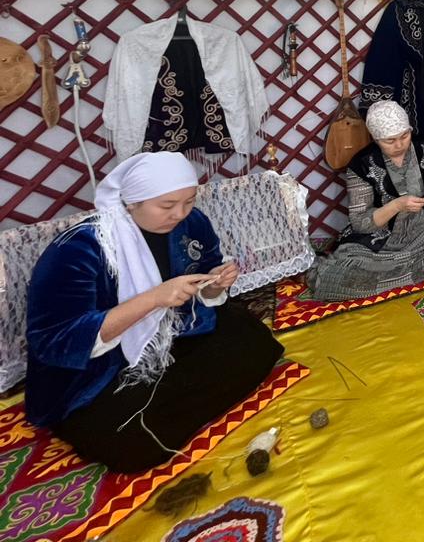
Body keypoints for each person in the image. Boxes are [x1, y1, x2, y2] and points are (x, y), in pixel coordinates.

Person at [25, 152, 283, 472]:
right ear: (132, 202)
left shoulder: (191, 222)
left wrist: (215, 282)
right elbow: (54, 341)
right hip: (98, 369)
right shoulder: (78, 250)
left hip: (171, 336)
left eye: (189, 201)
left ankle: (172, 407)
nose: (180, 213)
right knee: (128, 440)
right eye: (167, 205)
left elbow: (204, 280)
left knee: (253, 340)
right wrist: (153, 299)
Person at [308, 100, 424, 301]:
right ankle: (415, 271)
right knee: (343, 273)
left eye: (404, 136)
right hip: (381, 243)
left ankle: (404, 273)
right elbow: (360, 223)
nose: (399, 145)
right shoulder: (361, 165)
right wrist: (397, 205)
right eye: (390, 141)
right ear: (376, 138)